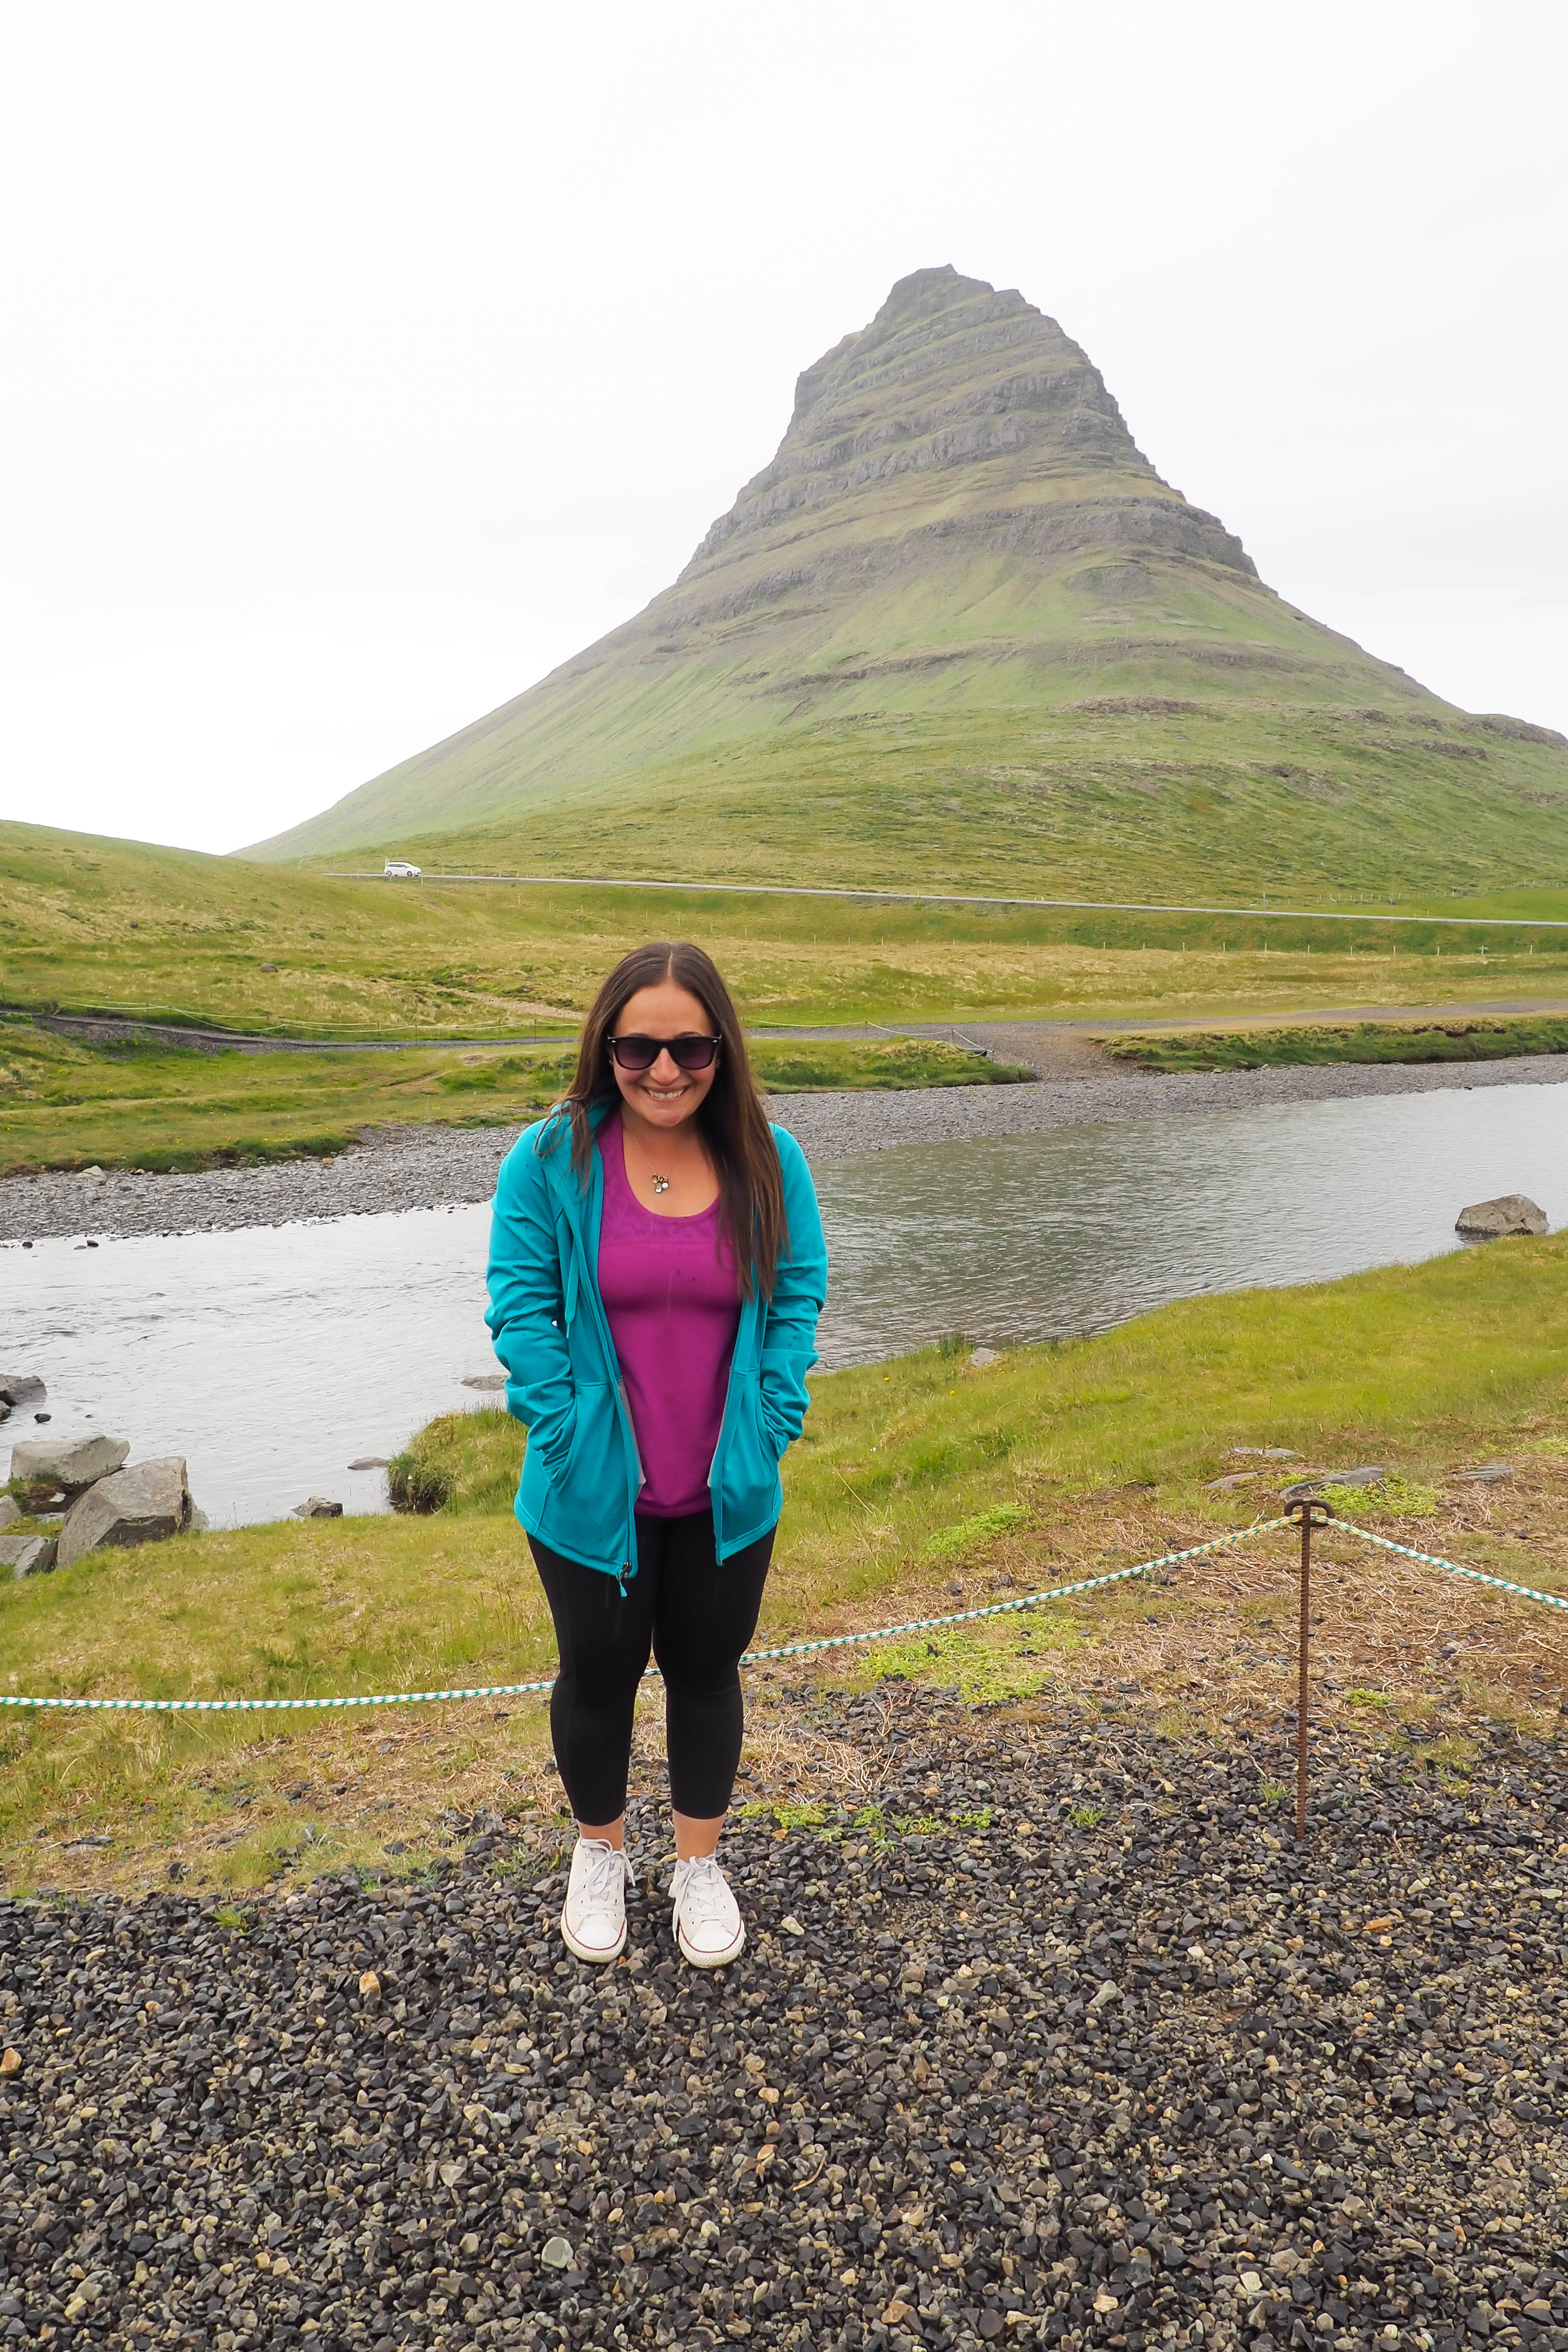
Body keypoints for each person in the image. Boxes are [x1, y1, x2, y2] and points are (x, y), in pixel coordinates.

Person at [485, 941, 828, 1969]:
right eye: (639, 1048)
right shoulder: (548, 1159)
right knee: (596, 1679)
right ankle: (599, 1853)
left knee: (707, 1674)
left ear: (723, 1049)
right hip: (588, 1494)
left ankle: (698, 1866)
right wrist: (564, 1434)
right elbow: (522, 1309)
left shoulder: (770, 1158)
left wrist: (771, 1420)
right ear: (607, 1047)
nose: (665, 1070)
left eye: (690, 1048)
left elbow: (797, 1294)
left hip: (728, 1490)